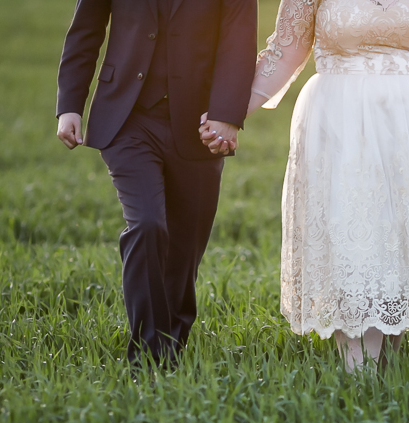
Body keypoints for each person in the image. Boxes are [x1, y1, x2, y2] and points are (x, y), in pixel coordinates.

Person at [207, 0, 409, 372]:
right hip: (341, 120)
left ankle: (384, 359)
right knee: (356, 236)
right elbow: (286, 50)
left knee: (402, 237)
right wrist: (227, 114)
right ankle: (359, 370)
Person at [56, 0, 258, 367]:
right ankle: (150, 359)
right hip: (127, 117)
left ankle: (172, 343)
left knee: (186, 244)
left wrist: (227, 116)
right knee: (147, 224)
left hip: (199, 123)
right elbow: (86, 29)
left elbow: (239, 40)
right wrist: (70, 104)